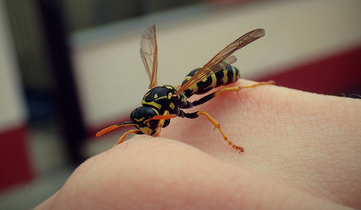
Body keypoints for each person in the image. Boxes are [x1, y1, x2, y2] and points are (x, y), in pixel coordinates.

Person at [35, 79, 361, 210]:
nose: (147, 126)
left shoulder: (175, 105)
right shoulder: (156, 113)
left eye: (148, 122)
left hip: (217, 76)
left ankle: (254, 87)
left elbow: (203, 111)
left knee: (212, 101)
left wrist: (229, 140)